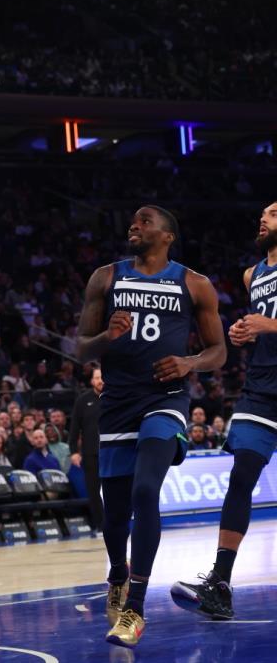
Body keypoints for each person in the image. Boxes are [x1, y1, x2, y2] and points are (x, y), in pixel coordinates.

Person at [76, 205, 226, 647]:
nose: (134, 226)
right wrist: (108, 338)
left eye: (145, 221)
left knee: (146, 491)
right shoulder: (105, 277)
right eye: (133, 221)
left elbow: (218, 351)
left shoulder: (193, 283)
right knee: (116, 512)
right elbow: (82, 349)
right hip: (118, 403)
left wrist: (189, 362)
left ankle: (136, 609)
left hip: (166, 399)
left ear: (167, 236)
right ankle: (118, 573)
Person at [171, 201, 277, 620]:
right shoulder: (254, 274)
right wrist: (243, 332)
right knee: (241, 478)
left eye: (273, 212)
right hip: (261, 388)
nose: (263, 217)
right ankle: (220, 584)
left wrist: (268, 326)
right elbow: (263, 323)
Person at [69, 365, 104, 532]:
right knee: (94, 490)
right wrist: (74, 451)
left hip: (112, 451)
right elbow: (75, 428)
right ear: (92, 381)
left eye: (103, 377)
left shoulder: (115, 397)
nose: (100, 381)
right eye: (97, 378)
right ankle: (100, 524)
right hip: (91, 453)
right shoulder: (82, 400)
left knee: (114, 490)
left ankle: (117, 522)